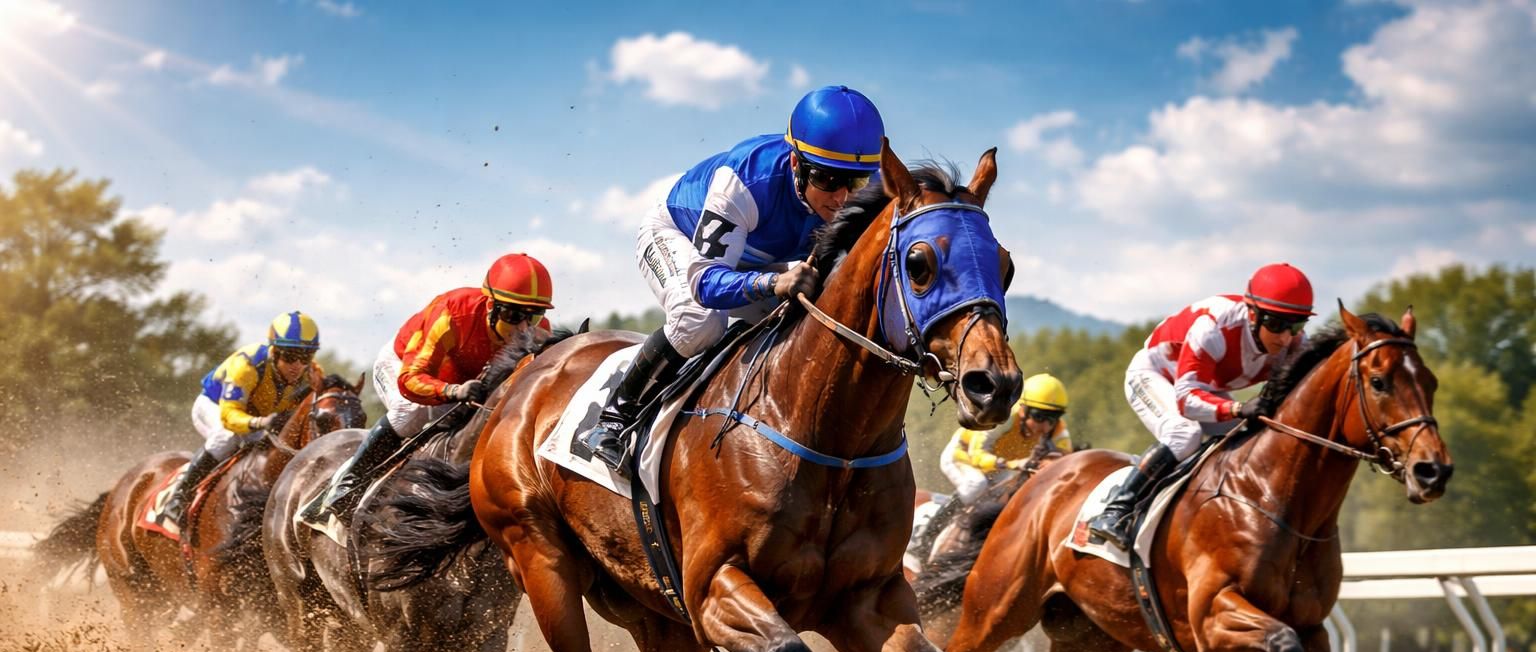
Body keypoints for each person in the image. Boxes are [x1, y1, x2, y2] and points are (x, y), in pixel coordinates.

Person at [578, 84, 884, 470]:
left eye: (854, 182)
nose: (842, 198)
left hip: (755, 258)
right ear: (795, 164)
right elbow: (705, 285)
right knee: (700, 321)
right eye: (826, 179)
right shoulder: (745, 179)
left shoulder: (870, 188)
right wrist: (774, 283)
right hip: (680, 238)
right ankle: (613, 420)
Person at [301, 252, 553, 523]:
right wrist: (453, 392)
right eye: (514, 315)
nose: (524, 327)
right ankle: (346, 486)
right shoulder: (452, 314)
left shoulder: (539, 332)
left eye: (534, 316)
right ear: (491, 305)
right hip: (404, 367)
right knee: (411, 413)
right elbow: (410, 379)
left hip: (464, 381)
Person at [1087, 262, 1314, 550]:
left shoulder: (1295, 344)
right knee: (1185, 433)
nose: (1285, 337)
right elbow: (1186, 400)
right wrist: (1236, 409)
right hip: (1154, 375)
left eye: (1295, 325)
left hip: (1204, 388)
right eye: (1276, 324)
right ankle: (1114, 511)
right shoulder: (1214, 327)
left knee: (1257, 439)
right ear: (1253, 314)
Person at [162, 311, 323, 532]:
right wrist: (260, 423)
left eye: (305, 357)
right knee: (227, 437)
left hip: (259, 419)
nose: (296, 365)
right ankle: (179, 496)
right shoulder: (247, 364)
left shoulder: (312, 373)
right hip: (216, 407)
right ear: (274, 352)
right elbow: (229, 417)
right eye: (289, 356)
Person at [910, 374, 1071, 560]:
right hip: (963, 457)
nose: (1045, 426)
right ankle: (930, 533)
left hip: (1000, 467)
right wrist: (1015, 464)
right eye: (1039, 416)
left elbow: (1066, 463)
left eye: (1053, 418)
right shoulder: (1004, 418)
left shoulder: (1058, 431)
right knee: (976, 485)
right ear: (1023, 410)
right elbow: (978, 457)